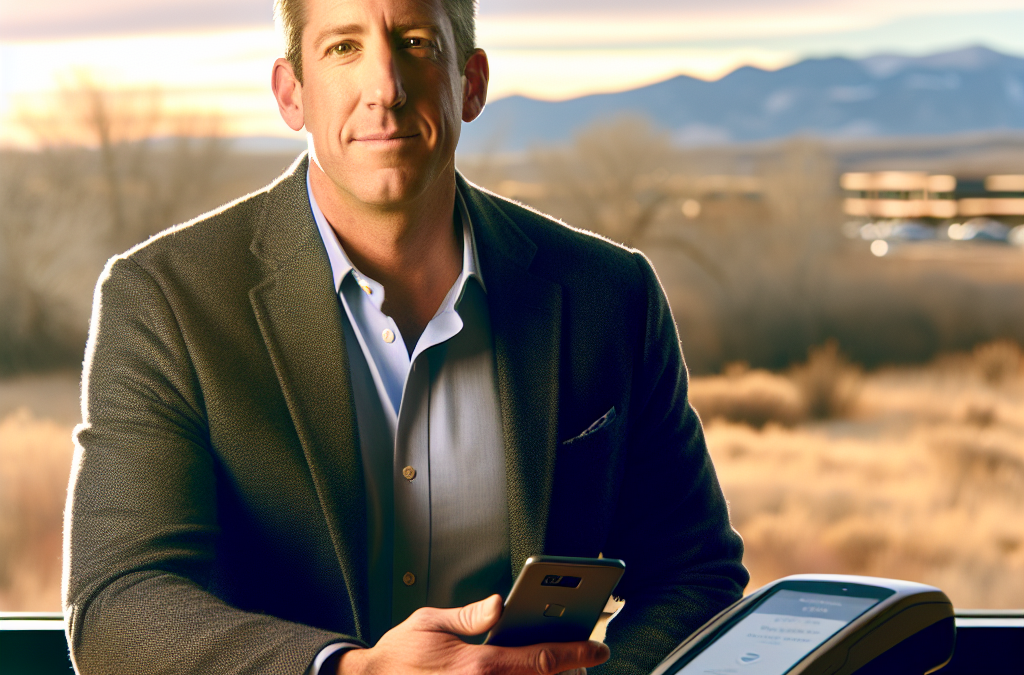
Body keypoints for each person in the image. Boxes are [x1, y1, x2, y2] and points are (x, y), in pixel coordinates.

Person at [63, 0, 748, 673]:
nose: (385, 89)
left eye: (416, 42)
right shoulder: (164, 301)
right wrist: (353, 671)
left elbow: (695, 572)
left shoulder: (611, 296)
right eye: (344, 47)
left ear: (470, 83)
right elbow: (117, 605)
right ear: (291, 93)